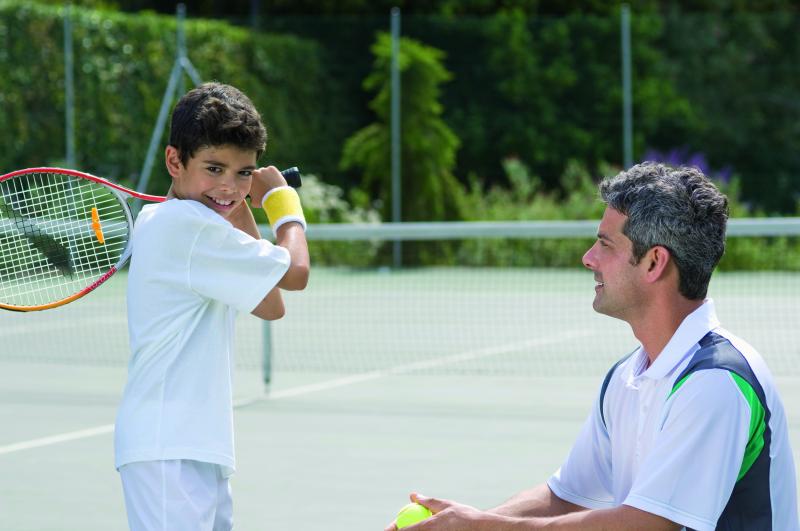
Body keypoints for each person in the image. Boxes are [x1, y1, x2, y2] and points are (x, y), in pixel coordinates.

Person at [387, 162, 798, 531]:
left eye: (605, 244)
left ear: (655, 262)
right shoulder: (627, 377)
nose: (588, 258)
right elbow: (563, 496)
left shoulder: (718, 383)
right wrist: (461, 525)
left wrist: (482, 529)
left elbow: (648, 526)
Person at [114, 82, 309, 531]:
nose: (229, 185)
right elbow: (296, 274)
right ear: (174, 161)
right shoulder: (184, 226)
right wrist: (283, 202)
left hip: (196, 447)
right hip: (168, 450)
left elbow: (270, 304)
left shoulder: (186, 223)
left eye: (244, 173)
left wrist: (238, 205)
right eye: (215, 168)